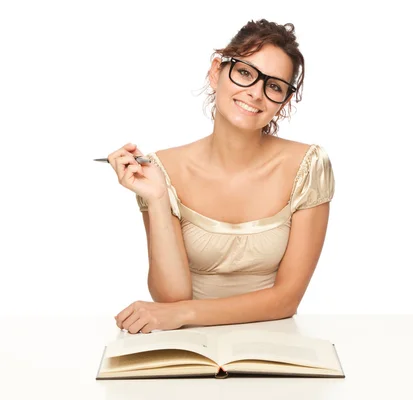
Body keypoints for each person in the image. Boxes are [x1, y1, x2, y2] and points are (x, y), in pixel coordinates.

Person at [106, 19, 335, 333]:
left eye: (274, 86)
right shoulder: (161, 170)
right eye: (245, 72)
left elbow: (286, 300)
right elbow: (171, 298)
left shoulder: (308, 166)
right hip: (187, 346)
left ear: (283, 102)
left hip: (273, 345)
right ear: (216, 72)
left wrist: (182, 314)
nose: (256, 93)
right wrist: (158, 199)